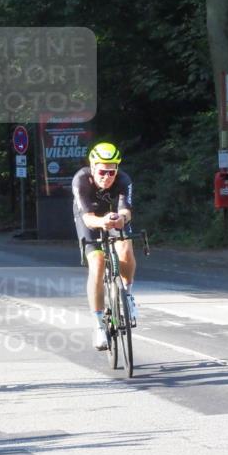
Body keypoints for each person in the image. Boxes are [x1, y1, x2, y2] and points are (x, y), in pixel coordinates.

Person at [73, 141, 136, 351]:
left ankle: (127, 296)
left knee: (126, 248)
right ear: (92, 168)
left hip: (114, 216)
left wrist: (120, 219)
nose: (107, 177)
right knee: (98, 264)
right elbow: (89, 219)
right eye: (102, 171)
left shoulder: (123, 180)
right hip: (90, 218)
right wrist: (102, 222)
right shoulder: (81, 180)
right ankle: (99, 325)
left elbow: (127, 211)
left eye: (112, 172)